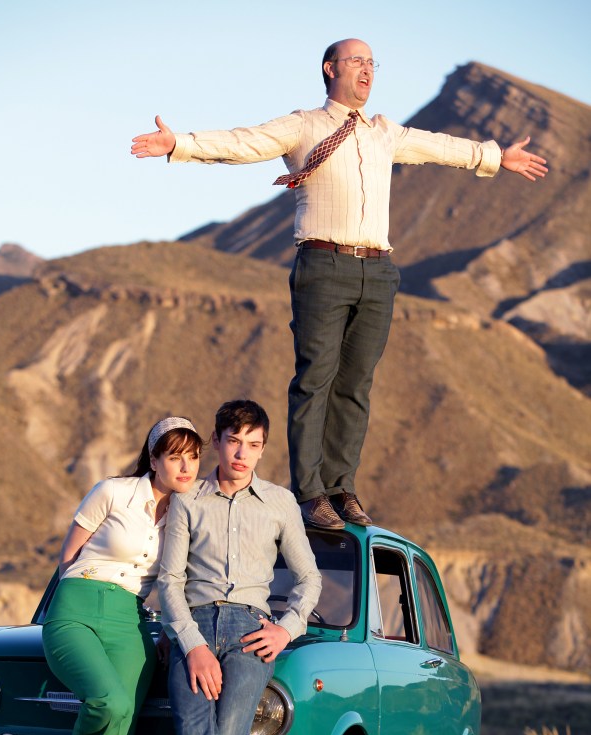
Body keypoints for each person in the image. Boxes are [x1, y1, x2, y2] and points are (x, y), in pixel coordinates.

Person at [131, 38, 548, 530]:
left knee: (356, 384)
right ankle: (309, 490)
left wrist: (495, 157)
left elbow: (438, 146)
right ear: (330, 69)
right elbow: (245, 143)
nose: (368, 70)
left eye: (373, 62)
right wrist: (180, 144)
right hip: (324, 264)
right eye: (357, 61)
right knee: (315, 379)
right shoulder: (304, 125)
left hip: (378, 270)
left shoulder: (384, 133)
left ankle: (340, 486)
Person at [158, 399, 321, 735]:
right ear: (219, 440)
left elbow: (309, 579)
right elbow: (169, 583)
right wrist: (194, 647)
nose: (242, 453)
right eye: (234, 441)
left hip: (253, 631)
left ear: (263, 448)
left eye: (253, 445)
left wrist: (286, 630)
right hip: (195, 626)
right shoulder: (189, 499)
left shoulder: (279, 503)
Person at [42, 416, 203, 735]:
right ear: (153, 459)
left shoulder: (189, 515)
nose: (185, 465)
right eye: (174, 455)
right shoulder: (112, 492)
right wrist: (67, 603)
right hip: (76, 606)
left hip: (131, 621)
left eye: (193, 456)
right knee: (110, 703)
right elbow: (66, 558)